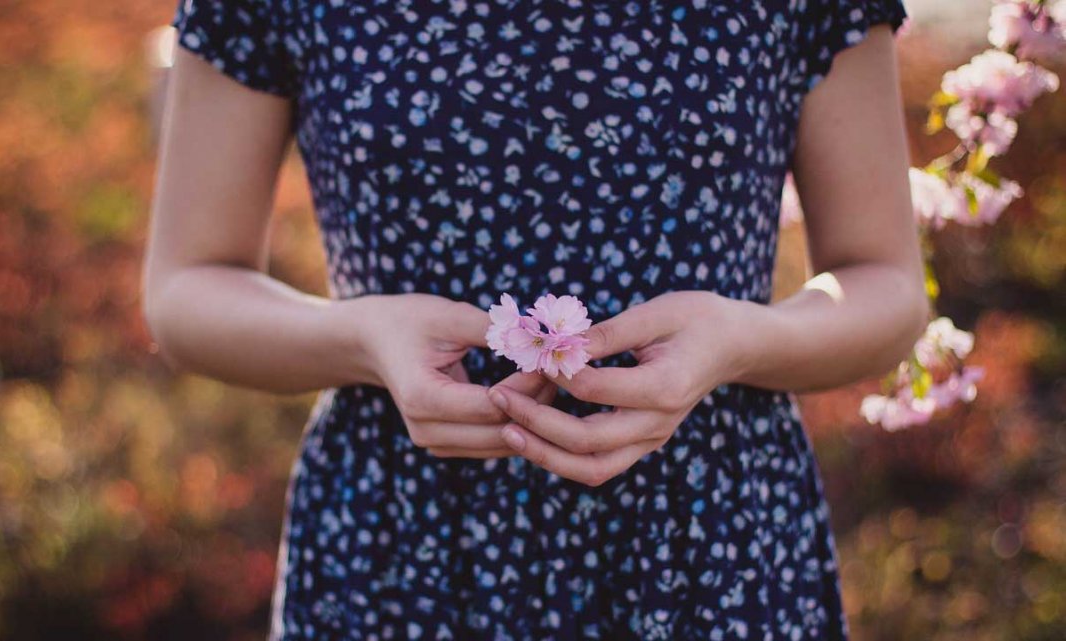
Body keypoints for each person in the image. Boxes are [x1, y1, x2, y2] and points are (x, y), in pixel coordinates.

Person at [142, 0, 926, 639]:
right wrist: (362, 338)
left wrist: (741, 339)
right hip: (399, 546)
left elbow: (885, 283)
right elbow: (188, 288)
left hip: (705, 544)